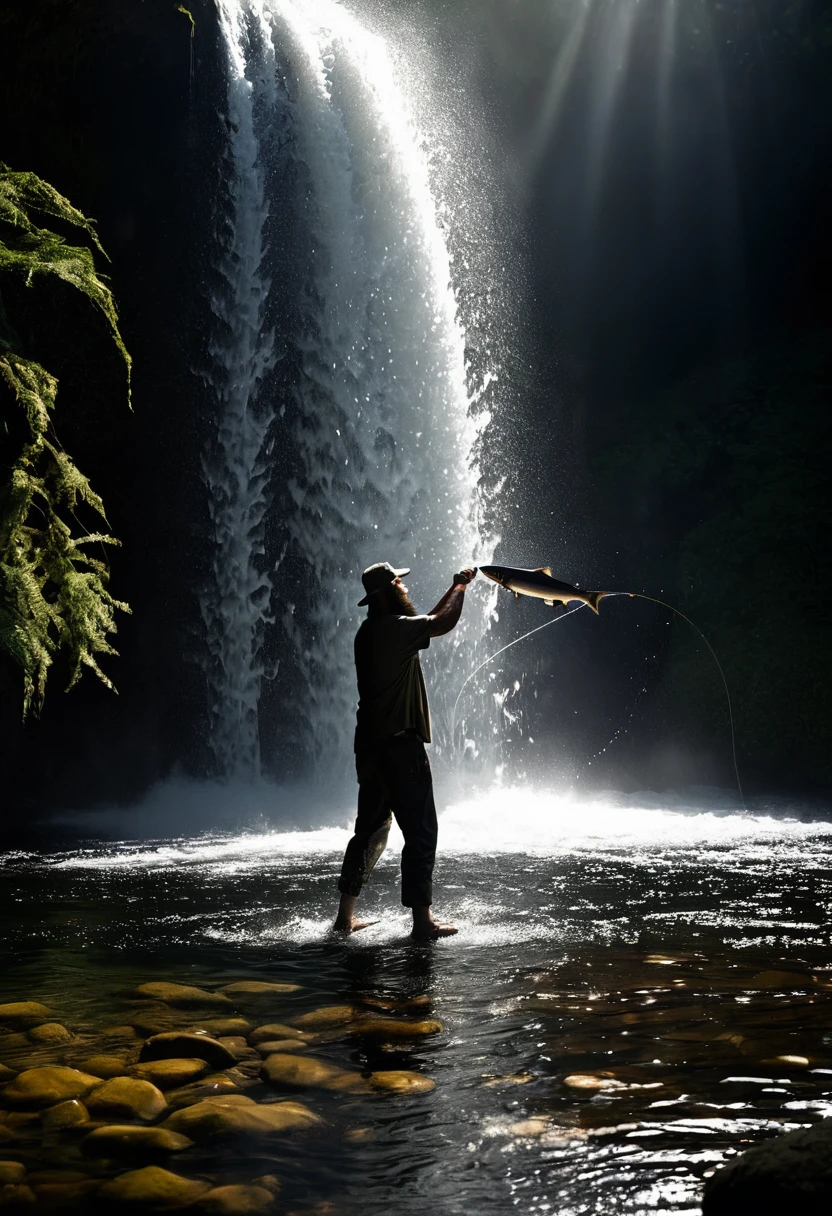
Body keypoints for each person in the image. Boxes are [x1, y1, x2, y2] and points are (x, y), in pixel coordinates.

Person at [334, 561, 477, 939]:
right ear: (388, 591)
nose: (405, 586)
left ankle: (344, 917)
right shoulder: (396, 630)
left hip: (370, 748)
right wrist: (462, 590)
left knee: (368, 832)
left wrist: (455, 585)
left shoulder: (368, 632)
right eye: (399, 582)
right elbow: (441, 623)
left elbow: (430, 617)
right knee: (421, 832)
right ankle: (422, 923)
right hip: (400, 749)